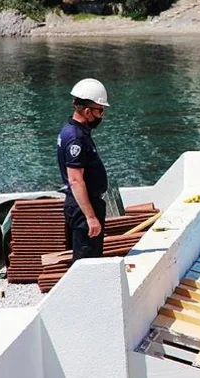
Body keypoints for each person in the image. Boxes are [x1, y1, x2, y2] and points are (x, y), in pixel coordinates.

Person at [56, 78, 110, 261]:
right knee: (86, 261)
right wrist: (90, 217)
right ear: (87, 111)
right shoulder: (75, 139)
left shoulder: (75, 132)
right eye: (100, 111)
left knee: (90, 258)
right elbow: (75, 180)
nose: (101, 116)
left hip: (85, 204)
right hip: (83, 208)